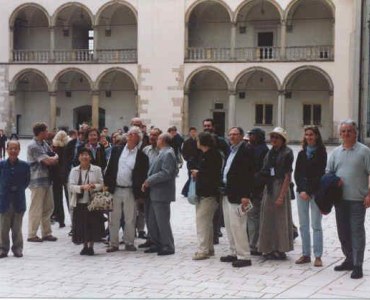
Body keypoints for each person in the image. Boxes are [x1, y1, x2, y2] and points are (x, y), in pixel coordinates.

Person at [327, 120, 370, 279]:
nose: (346, 134)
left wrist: (369, 194)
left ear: (355, 133)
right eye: (343, 131)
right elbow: (328, 173)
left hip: (358, 200)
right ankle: (349, 259)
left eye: (349, 131)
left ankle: (358, 265)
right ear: (340, 134)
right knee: (343, 232)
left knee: (357, 232)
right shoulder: (336, 152)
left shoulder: (364, 151)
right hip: (340, 200)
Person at [104, 126, 149, 252]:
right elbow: (110, 169)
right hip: (116, 188)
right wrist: (106, 187)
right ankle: (113, 243)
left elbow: (142, 176)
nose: (130, 136)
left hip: (130, 190)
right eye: (129, 134)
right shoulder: (117, 150)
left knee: (130, 218)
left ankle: (129, 242)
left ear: (138, 139)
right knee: (114, 218)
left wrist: (140, 195)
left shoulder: (142, 157)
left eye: (133, 134)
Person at [220, 127, 254, 268]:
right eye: (230, 134)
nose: (232, 137)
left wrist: (246, 195)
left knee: (239, 225)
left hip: (239, 195)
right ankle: (234, 251)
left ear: (241, 136)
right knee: (229, 225)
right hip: (228, 192)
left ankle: (244, 255)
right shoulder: (231, 150)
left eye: (235, 134)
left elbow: (248, 174)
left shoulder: (246, 150)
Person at [258, 127, 294, 260]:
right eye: (272, 137)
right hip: (270, 185)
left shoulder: (287, 153)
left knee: (280, 219)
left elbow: (287, 176)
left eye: (276, 137)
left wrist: (281, 196)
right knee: (267, 218)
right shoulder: (270, 152)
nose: (273, 140)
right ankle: (268, 247)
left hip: (280, 185)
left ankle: (281, 248)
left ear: (282, 139)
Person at [294, 126, 327, 267]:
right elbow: (297, 173)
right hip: (301, 192)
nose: (309, 137)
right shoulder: (302, 153)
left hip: (315, 192)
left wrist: (308, 191)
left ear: (317, 136)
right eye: (306, 135)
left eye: (311, 134)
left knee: (316, 224)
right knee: (303, 224)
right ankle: (306, 254)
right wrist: (301, 190)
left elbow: (319, 174)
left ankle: (318, 256)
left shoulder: (321, 153)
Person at [142, 133, 177, 256]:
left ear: (162, 140)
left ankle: (168, 245)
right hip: (154, 193)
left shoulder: (168, 153)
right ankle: (157, 243)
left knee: (162, 221)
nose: (156, 140)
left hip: (162, 193)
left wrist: (149, 180)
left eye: (158, 138)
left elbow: (166, 173)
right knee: (152, 221)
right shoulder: (162, 152)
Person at [191, 132, 222, 260]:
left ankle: (202, 250)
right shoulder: (206, 154)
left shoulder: (212, 155)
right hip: (203, 193)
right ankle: (209, 248)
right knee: (207, 223)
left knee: (202, 222)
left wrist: (198, 173)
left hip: (209, 194)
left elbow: (211, 175)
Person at [68, 148, 104, 255]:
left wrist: (93, 186)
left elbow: (101, 184)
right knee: (81, 225)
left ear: (90, 157)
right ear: (79, 157)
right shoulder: (74, 170)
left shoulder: (97, 169)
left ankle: (91, 246)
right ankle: (84, 246)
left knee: (92, 224)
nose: (85, 157)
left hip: (92, 202)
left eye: (87, 155)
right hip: (79, 202)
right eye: (82, 155)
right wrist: (81, 187)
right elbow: (71, 186)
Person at [27, 122, 59, 242]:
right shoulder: (33, 145)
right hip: (37, 181)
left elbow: (51, 155)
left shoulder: (44, 143)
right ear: (41, 133)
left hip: (47, 180)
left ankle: (46, 233)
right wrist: (55, 157)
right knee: (36, 208)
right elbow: (48, 161)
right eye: (46, 131)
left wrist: (53, 157)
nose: (48, 132)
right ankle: (31, 234)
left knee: (48, 207)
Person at [0, 141, 30, 258]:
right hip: (4, 199)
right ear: (7, 150)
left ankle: (17, 248)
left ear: (19, 150)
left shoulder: (25, 166)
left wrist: (18, 188)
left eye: (16, 148)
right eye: (11, 148)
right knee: (3, 227)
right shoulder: (1, 165)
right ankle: (3, 248)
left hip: (19, 199)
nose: (13, 151)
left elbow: (27, 181)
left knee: (17, 227)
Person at [247, 128, 269, 256]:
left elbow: (261, 170)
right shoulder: (253, 148)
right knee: (252, 216)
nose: (250, 138)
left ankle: (254, 244)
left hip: (257, 189)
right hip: (252, 187)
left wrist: (254, 183)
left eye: (252, 135)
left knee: (254, 216)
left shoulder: (262, 150)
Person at [139, 128, 162, 249]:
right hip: (145, 186)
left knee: (156, 215)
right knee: (147, 214)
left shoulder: (163, 151)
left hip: (157, 187)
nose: (152, 137)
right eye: (151, 135)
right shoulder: (145, 150)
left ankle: (157, 240)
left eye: (155, 135)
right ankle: (150, 238)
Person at [51, 130, 70, 228]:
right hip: (66, 176)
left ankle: (61, 220)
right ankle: (72, 218)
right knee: (69, 198)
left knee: (57, 199)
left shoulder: (54, 149)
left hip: (56, 176)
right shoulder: (68, 148)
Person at [181, 127, 201, 197]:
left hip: (197, 161)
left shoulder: (198, 141)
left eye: (194, 132)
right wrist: (187, 159)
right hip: (190, 162)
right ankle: (186, 191)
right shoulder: (186, 142)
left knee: (196, 176)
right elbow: (183, 152)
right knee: (190, 176)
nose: (193, 133)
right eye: (191, 132)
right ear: (189, 133)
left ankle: (189, 191)